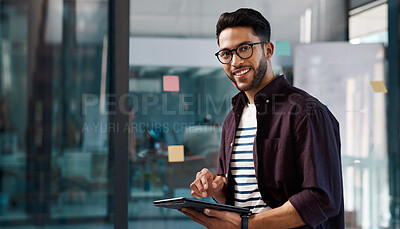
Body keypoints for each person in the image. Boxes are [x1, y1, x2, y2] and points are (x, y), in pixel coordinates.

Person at [179, 8, 344, 229]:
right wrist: (217, 188)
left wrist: (246, 224)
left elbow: (321, 198)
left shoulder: (306, 111)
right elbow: (240, 195)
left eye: (245, 48)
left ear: (268, 49)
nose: (235, 62)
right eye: (226, 53)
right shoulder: (232, 118)